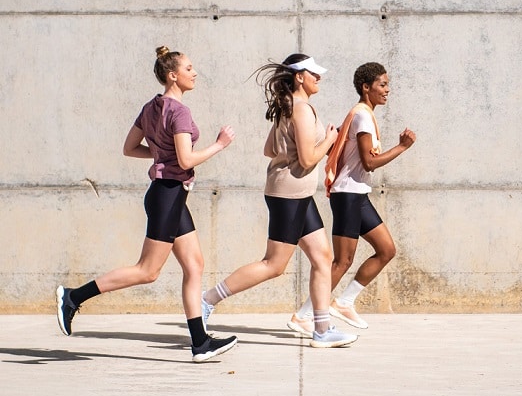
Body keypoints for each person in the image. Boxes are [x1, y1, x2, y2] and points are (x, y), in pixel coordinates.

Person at [56, 46, 238, 363]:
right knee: (147, 271)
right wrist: (219, 145)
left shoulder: (152, 107)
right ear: (173, 75)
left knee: (194, 265)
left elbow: (130, 148)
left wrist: (161, 157)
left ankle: (200, 343)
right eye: (189, 68)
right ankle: (73, 297)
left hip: (169, 194)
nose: (195, 73)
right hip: (168, 196)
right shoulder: (179, 112)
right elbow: (186, 159)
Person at [201, 54, 357, 348]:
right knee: (273, 264)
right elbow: (309, 158)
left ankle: (321, 329)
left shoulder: (290, 107)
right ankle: (207, 300)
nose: (319, 77)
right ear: (299, 77)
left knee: (323, 258)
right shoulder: (300, 109)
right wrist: (330, 139)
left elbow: (269, 149)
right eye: (314, 73)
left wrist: (291, 147)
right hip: (290, 195)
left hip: (296, 193)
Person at [287, 62, 416, 334]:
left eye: (387, 84)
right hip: (348, 195)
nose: (387, 89)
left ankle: (344, 302)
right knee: (341, 262)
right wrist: (402, 147)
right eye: (382, 84)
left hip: (358, 194)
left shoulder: (362, 114)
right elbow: (369, 162)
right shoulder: (362, 116)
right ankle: (303, 315)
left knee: (386, 250)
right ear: (366, 87)